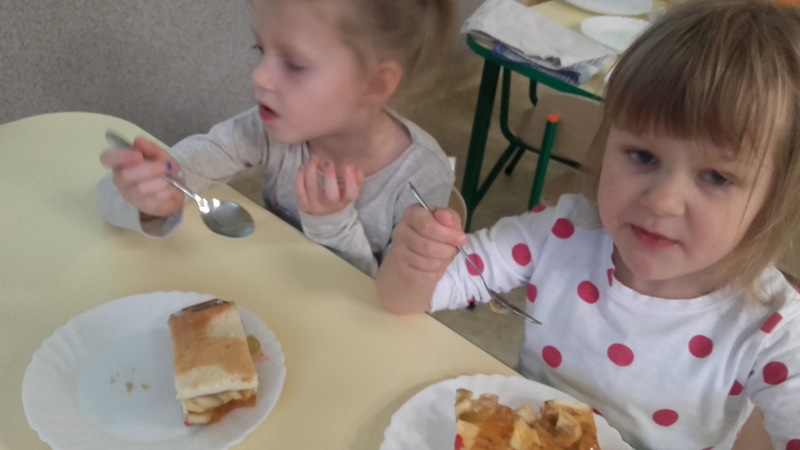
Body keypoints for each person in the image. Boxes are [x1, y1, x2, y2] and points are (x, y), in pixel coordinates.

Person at [376, 1, 800, 448]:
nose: (662, 201)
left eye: (716, 177)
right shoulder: (558, 235)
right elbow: (403, 300)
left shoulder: (774, 327)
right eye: (643, 155)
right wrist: (416, 262)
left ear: (773, 199)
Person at [97, 0, 456, 277]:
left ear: (375, 84)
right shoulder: (263, 130)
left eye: (294, 63)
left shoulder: (422, 179)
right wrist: (147, 199)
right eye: (260, 49)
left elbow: (384, 305)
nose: (259, 77)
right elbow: (115, 196)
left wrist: (331, 222)